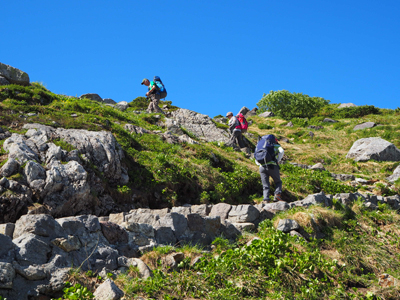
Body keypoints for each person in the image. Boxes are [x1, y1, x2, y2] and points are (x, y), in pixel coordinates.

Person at [255, 135, 285, 202]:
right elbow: (282, 151)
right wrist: (277, 160)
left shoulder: (259, 146)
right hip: (272, 166)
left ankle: (266, 199)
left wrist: (260, 164)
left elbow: (256, 157)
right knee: (278, 182)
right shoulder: (274, 145)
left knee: (265, 185)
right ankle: (277, 196)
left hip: (262, 167)